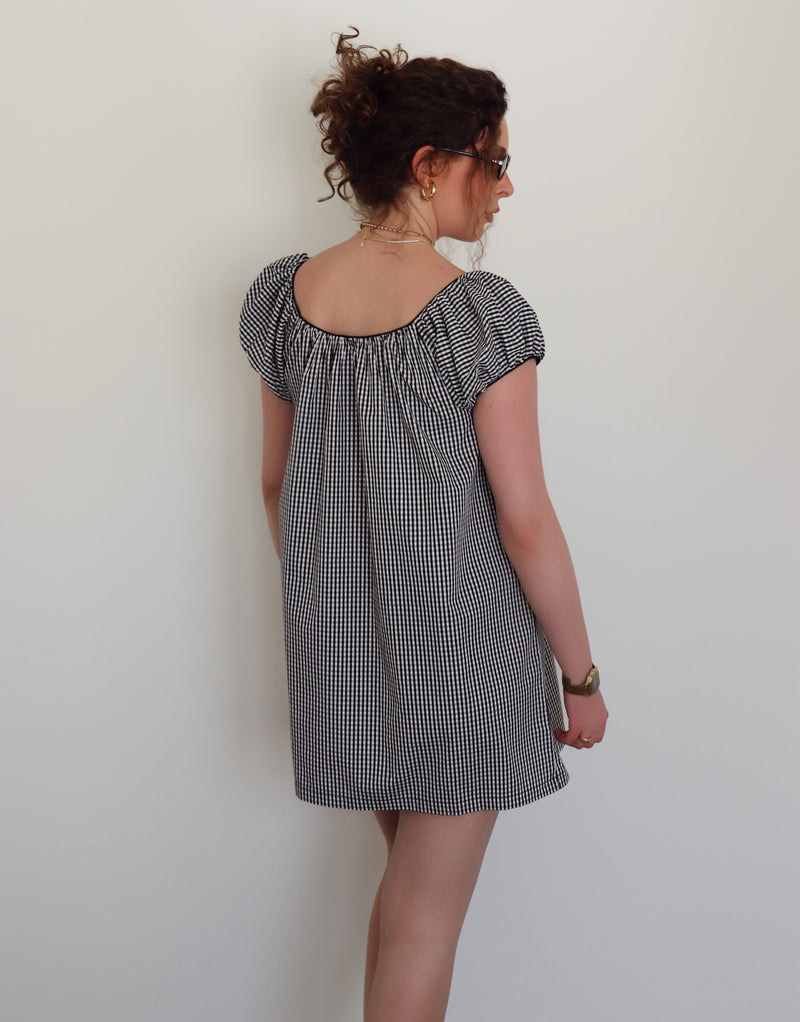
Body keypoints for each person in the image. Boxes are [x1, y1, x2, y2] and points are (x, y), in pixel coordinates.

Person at [239, 29, 608, 1022]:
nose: (502, 188)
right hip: (462, 657)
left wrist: (340, 608)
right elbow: (524, 521)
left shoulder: (286, 301)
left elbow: (276, 486)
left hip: (340, 656)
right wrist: (578, 675)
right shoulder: (475, 315)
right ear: (427, 166)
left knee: (405, 895)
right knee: (422, 918)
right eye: (492, 162)